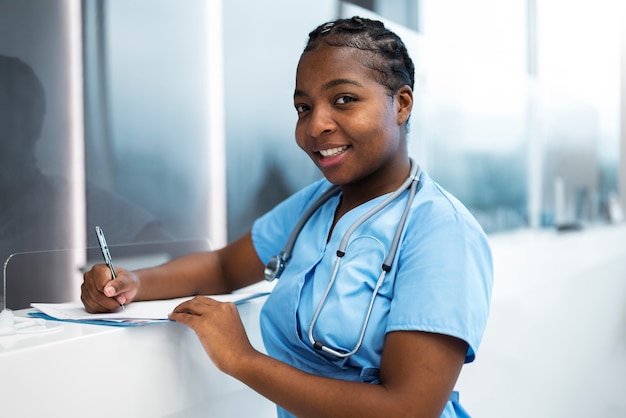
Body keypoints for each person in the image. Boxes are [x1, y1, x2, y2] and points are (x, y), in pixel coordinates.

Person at [81, 17, 493, 418]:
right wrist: (132, 283)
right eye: (303, 106)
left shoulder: (441, 232)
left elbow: (408, 409)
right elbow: (224, 267)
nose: (316, 125)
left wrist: (242, 360)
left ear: (401, 104)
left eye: (344, 99)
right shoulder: (316, 204)